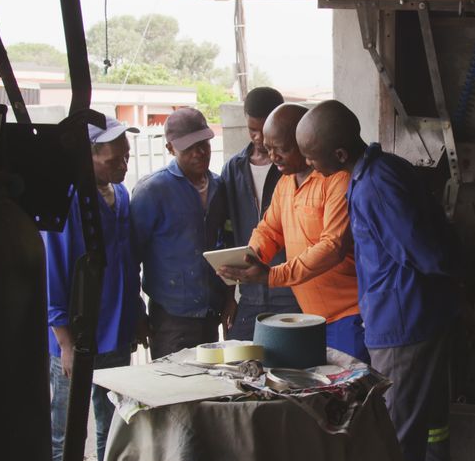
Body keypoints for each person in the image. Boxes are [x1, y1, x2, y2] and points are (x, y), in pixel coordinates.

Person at [297, 100, 459, 461]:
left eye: (312, 156)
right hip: (411, 315)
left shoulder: (375, 184)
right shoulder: (377, 169)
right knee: (428, 417)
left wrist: (446, 281)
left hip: (404, 323)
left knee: (397, 431)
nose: (308, 164)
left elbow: (422, 250)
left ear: (338, 153)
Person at [43, 115, 146, 461]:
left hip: (116, 334)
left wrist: (136, 312)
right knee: (66, 432)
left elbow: (127, 263)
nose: (124, 165)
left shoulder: (120, 197)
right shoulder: (67, 202)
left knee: (115, 425)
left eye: (126, 157)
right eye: (114, 159)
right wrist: (65, 343)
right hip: (78, 338)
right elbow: (54, 275)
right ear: (89, 158)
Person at [217, 103, 366, 362]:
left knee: (353, 395)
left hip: (349, 315)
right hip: (310, 318)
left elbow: (332, 246)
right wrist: (251, 256)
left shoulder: (337, 180)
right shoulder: (286, 182)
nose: (273, 157)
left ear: (305, 142)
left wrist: (273, 275)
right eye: (268, 148)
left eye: (282, 149)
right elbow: (270, 229)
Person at [132, 107, 233, 359]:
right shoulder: (152, 191)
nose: (199, 153)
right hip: (170, 317)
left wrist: (230, 298)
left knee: (209, 387)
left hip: (211, 312)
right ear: (170, 149)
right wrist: (137, 312)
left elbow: (229, 247)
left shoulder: (220, 187)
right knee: (173, 391)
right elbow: (131, 258)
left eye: (204, 144)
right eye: (189, 148)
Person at [220, 87, 300, 340]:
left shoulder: (294, 167)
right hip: (250, 292)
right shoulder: (234, 168)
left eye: (264, 130)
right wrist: (228, 295)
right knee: (240, 363)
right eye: (252, 130)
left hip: (291, 291)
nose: (257, 138)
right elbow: (227, 227)